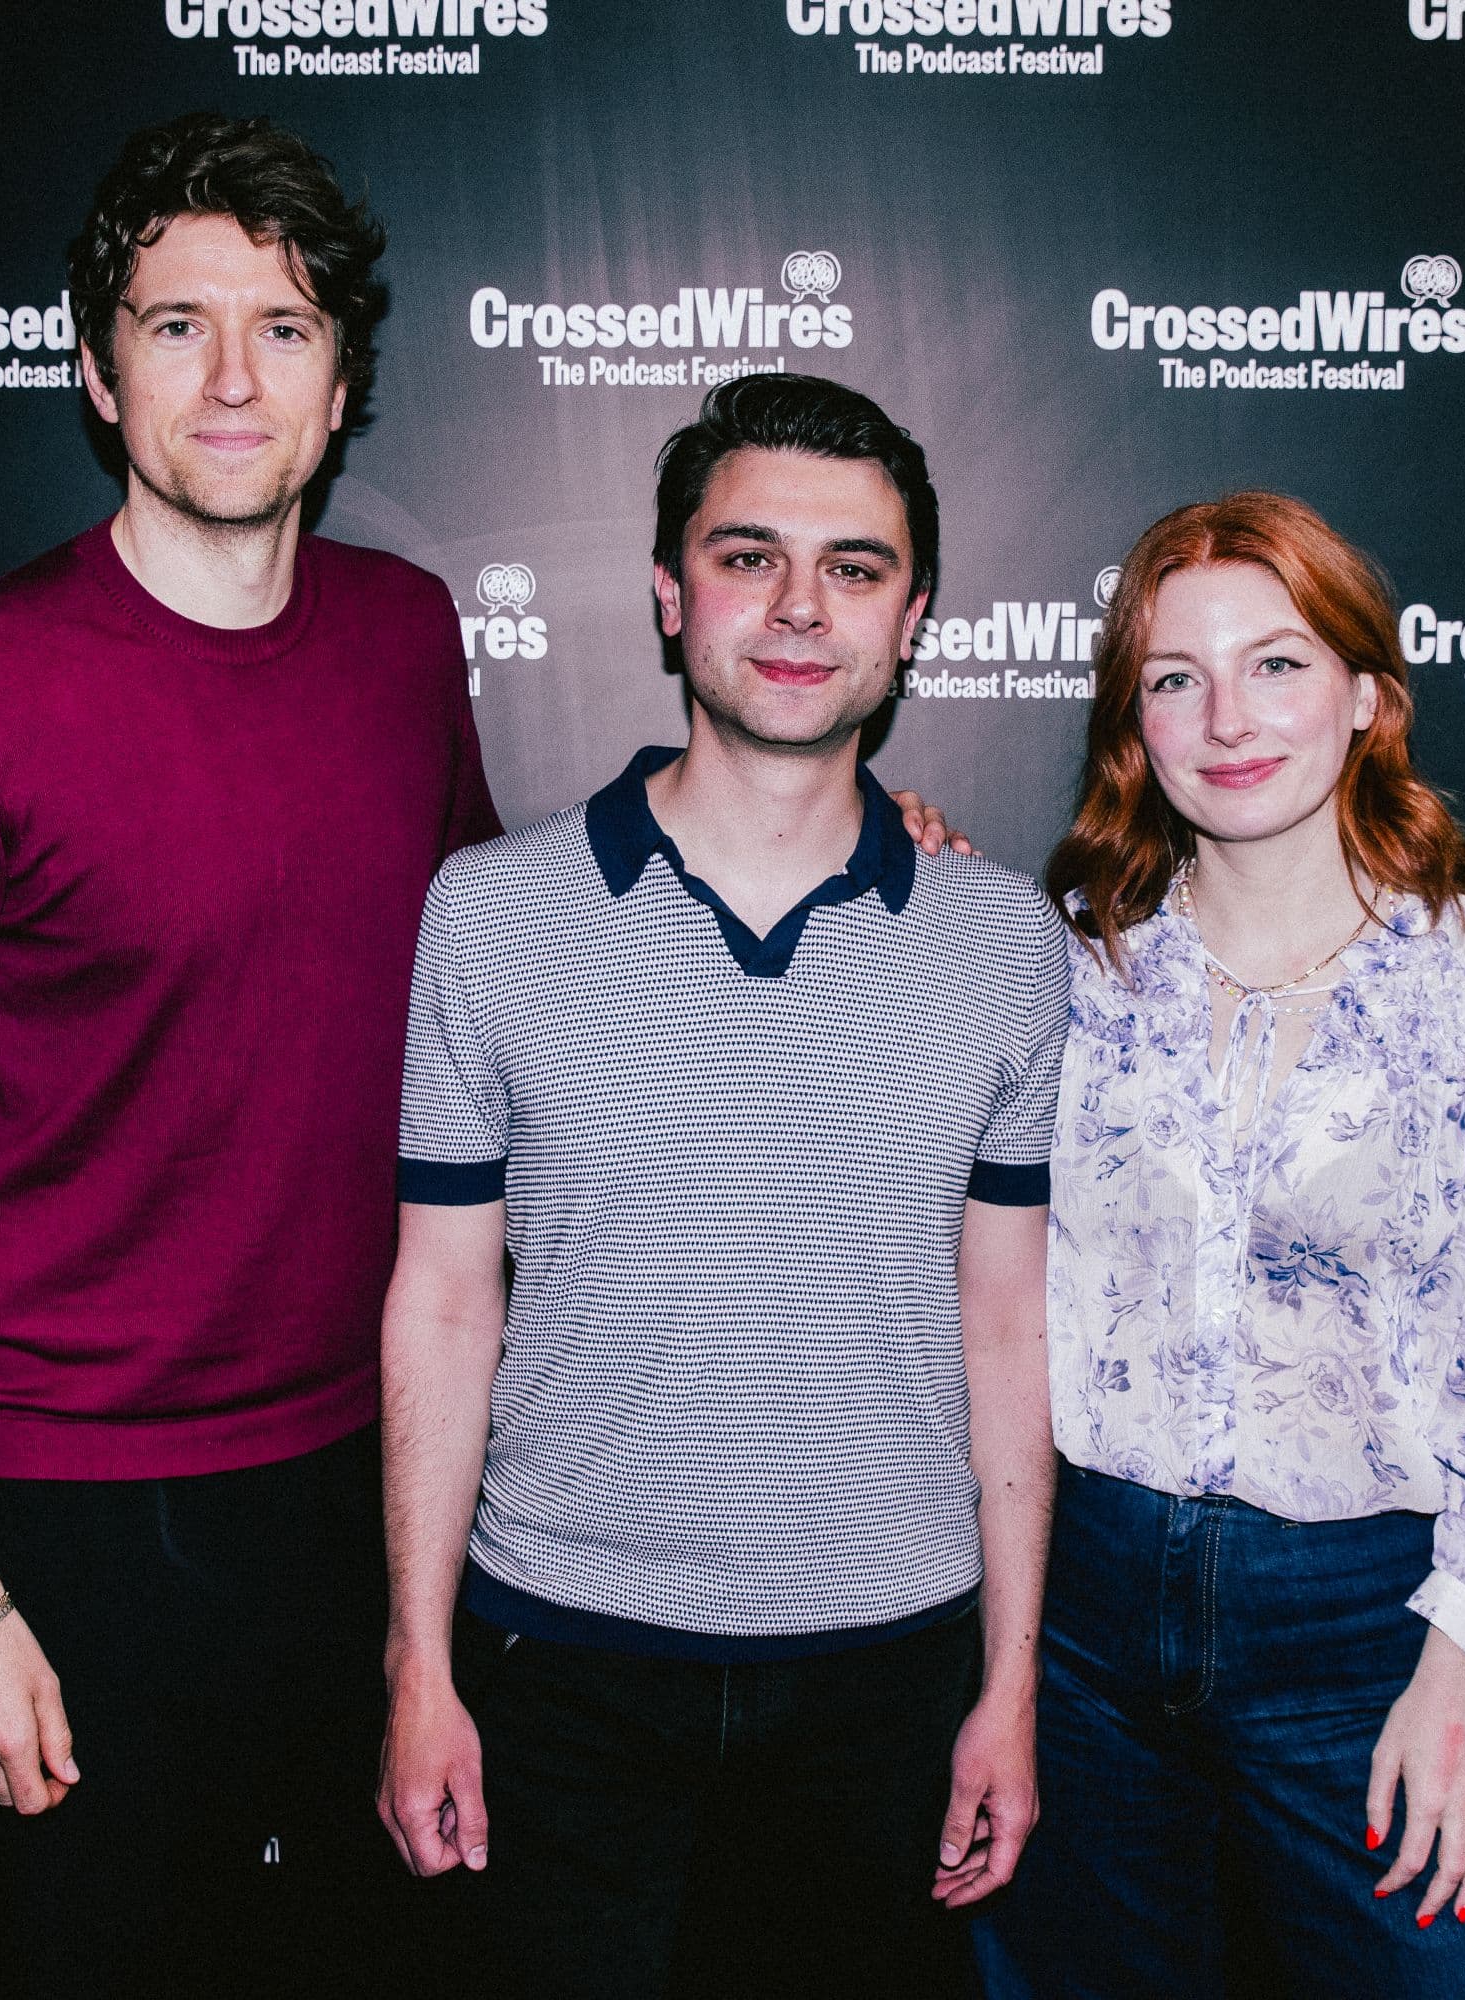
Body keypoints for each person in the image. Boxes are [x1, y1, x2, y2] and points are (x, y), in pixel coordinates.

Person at [0, 111, 492, 1985]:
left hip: (358, 1482)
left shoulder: (408, 639)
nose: (234, 377)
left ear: (344, 389)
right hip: (57, 1514)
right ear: (99, 376)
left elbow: (514, 962)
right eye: (178, 326)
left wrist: (853, 833)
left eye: (286, 327)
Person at [374, 374, 1064, 1998]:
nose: (801, 607)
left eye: (856, 566)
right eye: (749, 556)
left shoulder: (1005, 943)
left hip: (889, 1681)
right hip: (562, 1668)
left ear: (914, 619)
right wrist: (418, 1659)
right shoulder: (487, 916)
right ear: (672, 597)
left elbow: (1012, 1325)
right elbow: (443, 1298)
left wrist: (1010, 1687)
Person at [978, 493, 1465, 1999]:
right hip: (1082, 1615)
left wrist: (1460, 1667)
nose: (1229, 717)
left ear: (1368, 698)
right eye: (1176, 677)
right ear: (1132, 726)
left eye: (1276, 663)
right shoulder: (1062, 974)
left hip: (1364, 1630)